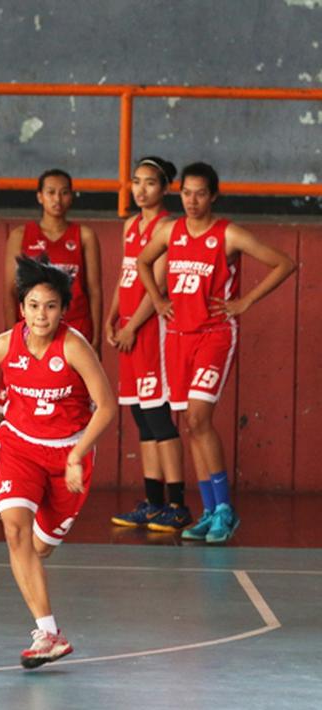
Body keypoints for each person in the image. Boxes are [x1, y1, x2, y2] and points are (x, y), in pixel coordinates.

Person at [136, 162, 295, 544]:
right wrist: (158, 300)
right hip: (177, 336)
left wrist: (246, 301)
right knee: (191, 424)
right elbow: (142, 262)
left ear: (214, 195)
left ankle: (224, 509)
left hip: (214, 334)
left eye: (200, 193)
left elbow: (285, 263)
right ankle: (209, 511)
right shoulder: (170, 231)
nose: (192, 200)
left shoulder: (228, 234)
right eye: (186, 193)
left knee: (199, 416)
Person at [0, 254, 116, 669]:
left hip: (69, 456)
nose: (41, 314)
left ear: (63, 310)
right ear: (22, 308)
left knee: (39, 547)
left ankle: (44, 613)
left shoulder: (74, 347)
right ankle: (48, 632)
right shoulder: (3, 346)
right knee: (15, 532)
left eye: (50, 306)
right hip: (19, 448)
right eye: (33, 305)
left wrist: (76, 454)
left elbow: (106, 406)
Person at [0, 169, 102, 520]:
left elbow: (94, 289)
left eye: (64, 192)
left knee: (64, 420)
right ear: (39, 196)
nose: (57, 199)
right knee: (6, 414)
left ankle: (53, 491)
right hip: (28, 345)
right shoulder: (22, 235)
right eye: (50, 192)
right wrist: (15, 336)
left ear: (72, 196)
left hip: (69, 346)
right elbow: (9, 290)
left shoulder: (84, 235)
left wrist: (94, 340)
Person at [107, 157, 192, 531]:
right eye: (136, 182)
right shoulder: (131, 225)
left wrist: (132, 327)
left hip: (150, 329)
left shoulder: (168, 227)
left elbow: (156, 287)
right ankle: (153, 502)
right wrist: (113, 316)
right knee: (140, 415)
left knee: (157, 413)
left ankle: (177, 503)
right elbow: (126, 275)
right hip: (128, 327)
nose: (141, 190)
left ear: (165, 188)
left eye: (150, 183)